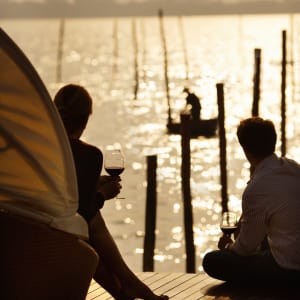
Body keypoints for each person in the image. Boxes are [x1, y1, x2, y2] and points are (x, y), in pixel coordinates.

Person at [54, 84, 169, 300]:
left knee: (90, 229)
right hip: (59, 232)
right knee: (92, 223)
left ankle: (125, 291)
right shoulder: (90, 155)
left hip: (32, 223)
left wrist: (93, 183)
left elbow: (60, 191)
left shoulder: (44, 149)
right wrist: (101, 195)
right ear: (86, 118)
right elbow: (83, 210)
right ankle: (134, 289)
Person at [202, 117, 300, 285]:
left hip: (289, 269)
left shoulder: (256, 188)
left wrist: (229, 247)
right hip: (292, 252)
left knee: (212, 260)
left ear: (245, 149)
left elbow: (245, 249)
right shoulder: (293, 167)